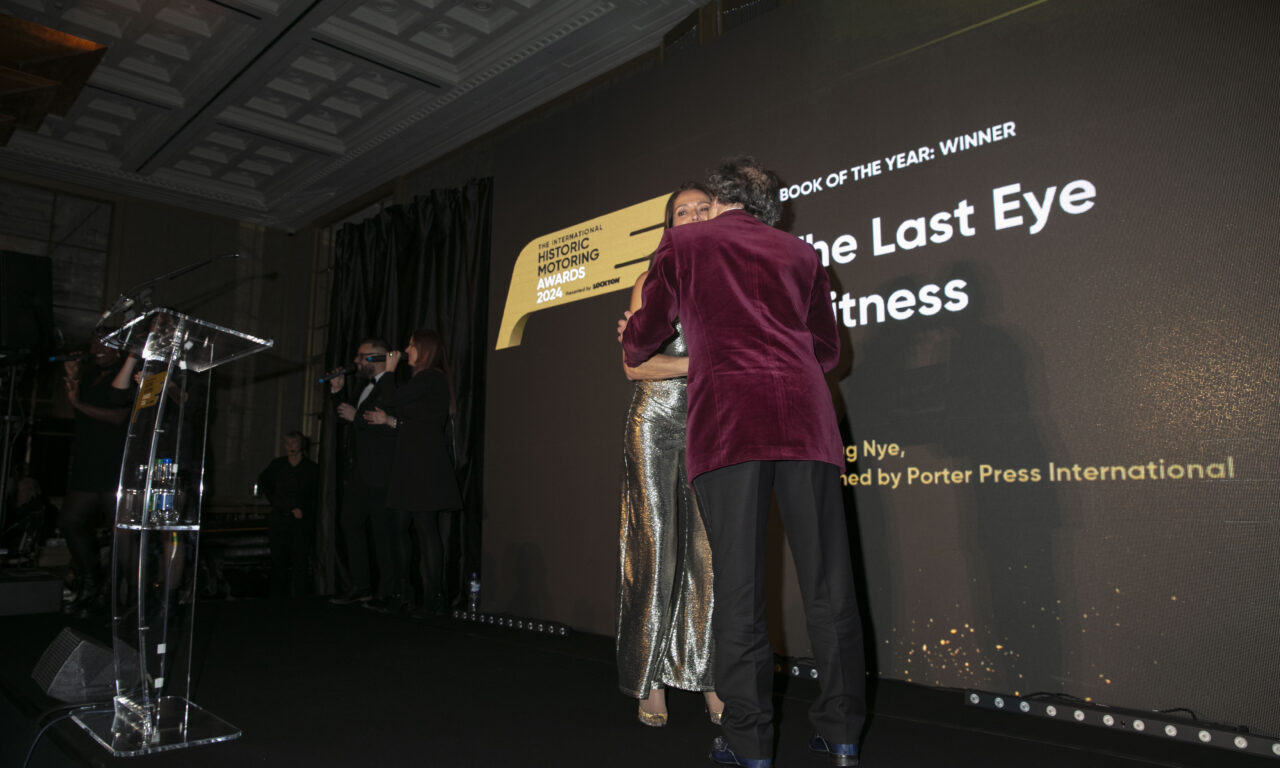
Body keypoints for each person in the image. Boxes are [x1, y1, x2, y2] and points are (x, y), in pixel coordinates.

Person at [621, 157, 866, 768]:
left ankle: (750, 742)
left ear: (720, 198)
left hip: (732, 424)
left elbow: (640, 341)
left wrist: (644, 329)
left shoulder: (684, 245)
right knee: (829, 586)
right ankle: (842, 734)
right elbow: (827, 351)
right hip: (807, 424)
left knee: (738, 588)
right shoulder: (802, 253)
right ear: (770, 208)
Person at [616, 182, 724, 727]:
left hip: (711, 424)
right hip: (655, 424)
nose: (696, 215)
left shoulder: (729, 282)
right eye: (684, 211)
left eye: (704, 207)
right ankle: (649, 679)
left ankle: (707, 676)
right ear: (670, 225)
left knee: (709, 557)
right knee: (655, 550)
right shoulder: (650, 282)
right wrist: (707, 360)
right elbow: (635, 367)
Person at [365, 329, 461, 615]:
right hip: (413, 464)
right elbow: (416, 422)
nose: (406, 350)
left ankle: (433, 597)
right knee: (401, 527)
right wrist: (390, 421)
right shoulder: (426, 381)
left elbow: (392, 398)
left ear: (425, 350)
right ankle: (404, 591)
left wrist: (388, 371)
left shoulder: (431, 377)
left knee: (424, 528)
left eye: (411, 346)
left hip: (422, 466)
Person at [59, 339, 136, 615]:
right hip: (88, 462)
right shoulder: (90, 375)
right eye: (94, 346)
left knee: (121, 533)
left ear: (119, 349)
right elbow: (76, 413)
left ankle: (126, 595)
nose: (98, 351)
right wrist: (73, 378)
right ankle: (92, 582)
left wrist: (77, 403)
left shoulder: (126, 374)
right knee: (70, 521)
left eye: (105, 345)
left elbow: (118, 417)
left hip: (114, 463)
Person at [328, 339, 397, 604]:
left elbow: (386, 426)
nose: (356, 361)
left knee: (382, 532)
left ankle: (387, 591)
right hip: (360, 472)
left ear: (375, 359)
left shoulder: (389, 386)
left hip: (380, 473)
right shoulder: (363, 387)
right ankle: (361, 584)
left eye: (361, 357)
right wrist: (337, 392)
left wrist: (355, 416)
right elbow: (349, 420)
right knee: (350, 523)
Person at [257, 431, 320, 598]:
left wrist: (304, 509)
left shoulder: (311, 469)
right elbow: (264, 483)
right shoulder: (277, 466)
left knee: (300, 561)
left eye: (294, 443)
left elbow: (317, 495)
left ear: (301, 445)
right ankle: (278, 598)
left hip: (300, 522)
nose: (290, 446)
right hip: (280, 518)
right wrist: (278, 503)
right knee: (279, 561)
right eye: (287, 443)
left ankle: (299, 599)